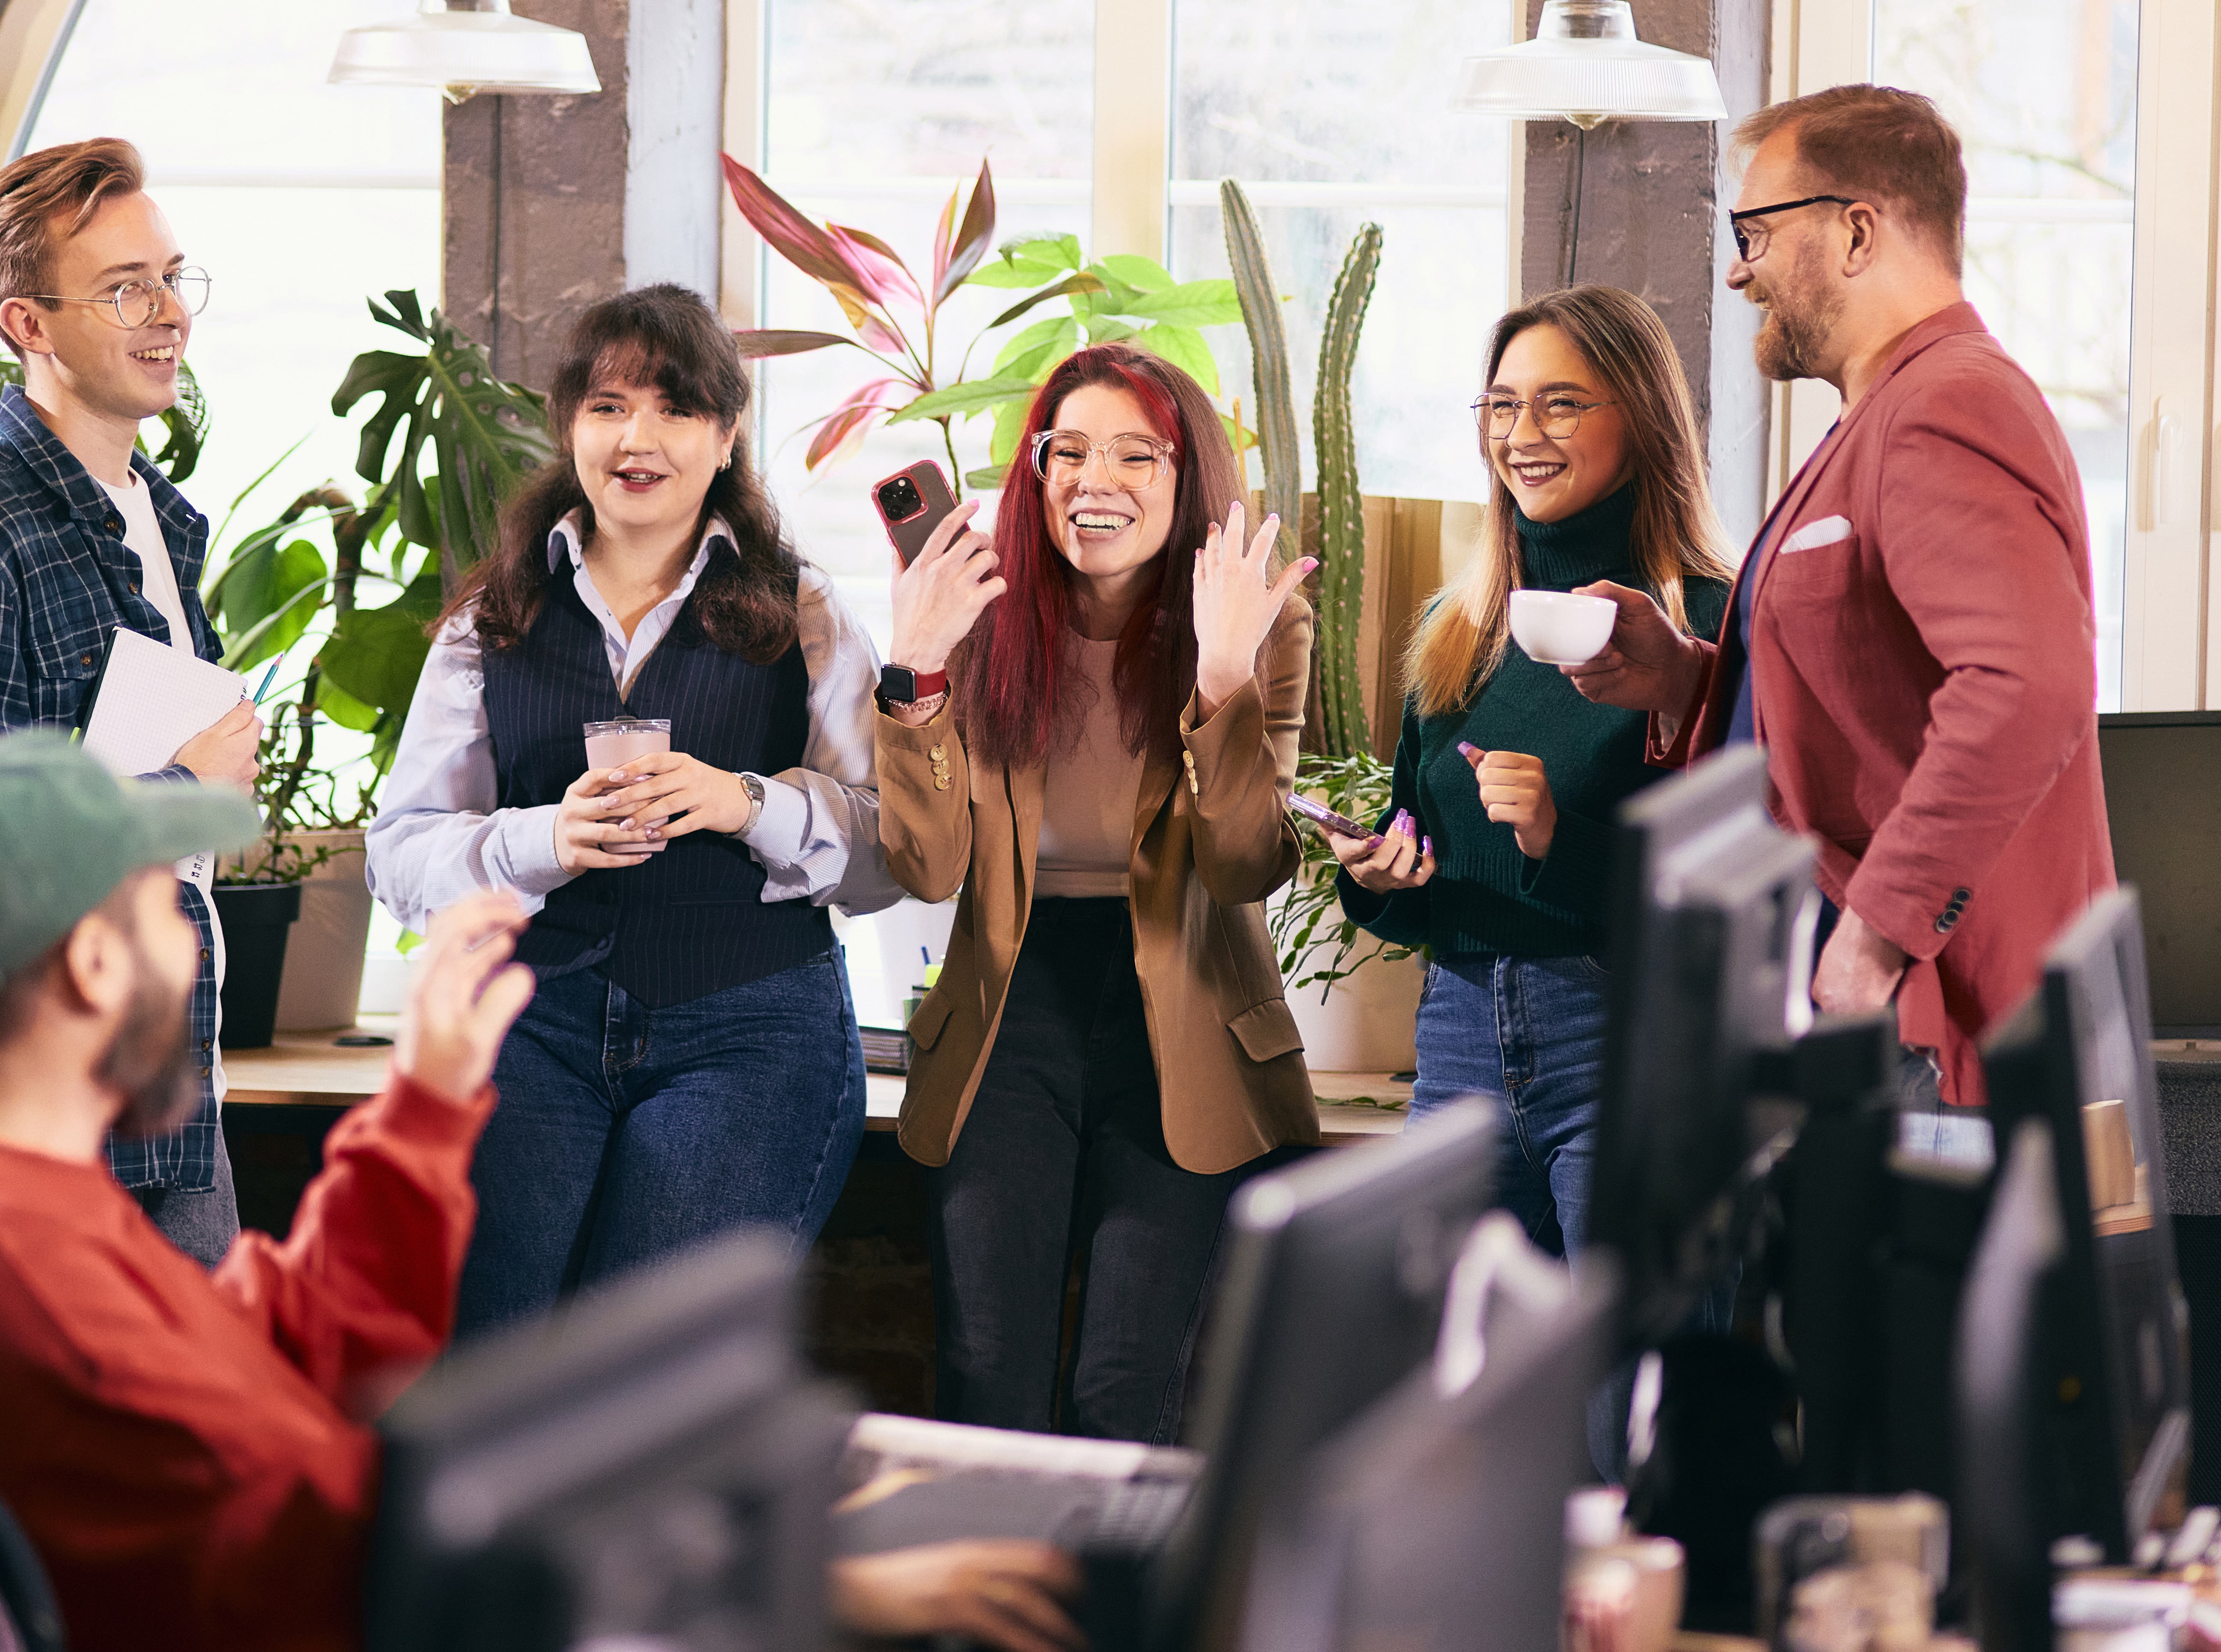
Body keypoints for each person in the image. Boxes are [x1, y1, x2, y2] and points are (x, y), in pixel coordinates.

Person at [0, 732, 1086, 1652]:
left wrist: (426, 1098)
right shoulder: (3, 1270)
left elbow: (281, 1349)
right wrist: (790, 1568)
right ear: (86, 964)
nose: (191, 940)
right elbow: (350, 1540)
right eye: (164, 908)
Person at [1561, 85, 2113, 1107]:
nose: (1739, 269)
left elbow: (2028, 687)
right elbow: (1858, 696)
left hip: (1919, 1025)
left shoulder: (1948, 404)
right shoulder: (1884, 411)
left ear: (1857, 231)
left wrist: (1876, 934)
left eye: (1756, 231)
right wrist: (1685, 682)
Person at [367, 283, 898, 1335]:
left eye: (674, 408)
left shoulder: (805, 609)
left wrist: (746, 803)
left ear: (725, 434)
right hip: (531, 1022)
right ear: (571, 429)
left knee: (639, 1361)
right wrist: (542, 840)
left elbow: (893, 851)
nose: (637, 438)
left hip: (749, 1030)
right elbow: (401, 856)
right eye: (608, 407)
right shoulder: (496, 618)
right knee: (489, 1354)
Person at [878, 342, 1319, 1444]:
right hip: (1007, 1013)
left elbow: (1246, 864)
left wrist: (1223, 679)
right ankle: (984, 1616)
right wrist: (917, 673)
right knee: (991, 1378)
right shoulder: (979, 617)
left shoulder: (1264, 622)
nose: (1094, 480)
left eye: (1135, 453)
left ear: (1188, 475)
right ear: (1034, 474)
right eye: (1066, 452)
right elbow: (925, 867)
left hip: (1184, 1016)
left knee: (1126, 1390)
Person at [0, 137, 256, 1264]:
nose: (170, 312)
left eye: (173, 276)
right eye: (127, 287)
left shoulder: (152, 517)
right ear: (27, 324)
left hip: (163, 1113)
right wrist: (185, 789)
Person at [1327, 285, 1732, 1267]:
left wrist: (1561, 843)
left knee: (1626, 1400)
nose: (1523, 434)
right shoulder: (1457, 631)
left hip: (1629, 1036)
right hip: (1460, 1034)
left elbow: (1732, 897)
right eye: (1503, 405)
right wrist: (1378, 874)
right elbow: (1425, 861)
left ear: (1639, 416)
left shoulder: (1708, 632)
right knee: (1457, 1391)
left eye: (1560, 402)